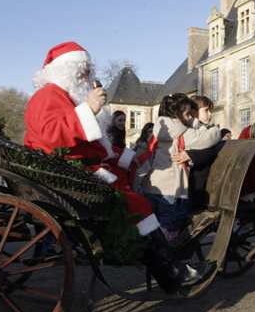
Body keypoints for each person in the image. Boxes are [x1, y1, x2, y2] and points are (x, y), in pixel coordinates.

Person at [24, 41, 210, 292]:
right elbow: (51, 135)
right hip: (72, 176)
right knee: (139, 204)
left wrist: (123, 156)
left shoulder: (64, 96)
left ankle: (168, 271)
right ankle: (172, 271)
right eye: (82, 70)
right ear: (64, 71)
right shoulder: (49, 95)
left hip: (78, 170)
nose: (88, 76)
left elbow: (89, 146)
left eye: (89, 69)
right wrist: (88, 108)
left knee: (138, 198)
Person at [136, 93, 221, 241]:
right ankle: (161, 251)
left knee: (150, 220)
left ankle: (146, 244)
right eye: (187, 114)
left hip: (150, 186)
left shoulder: (158, 128)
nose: (190, 118)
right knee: (168, 221)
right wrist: (217, 131)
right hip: (169, 188)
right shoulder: (181, 132)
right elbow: (207, 139)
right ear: (178, 114)